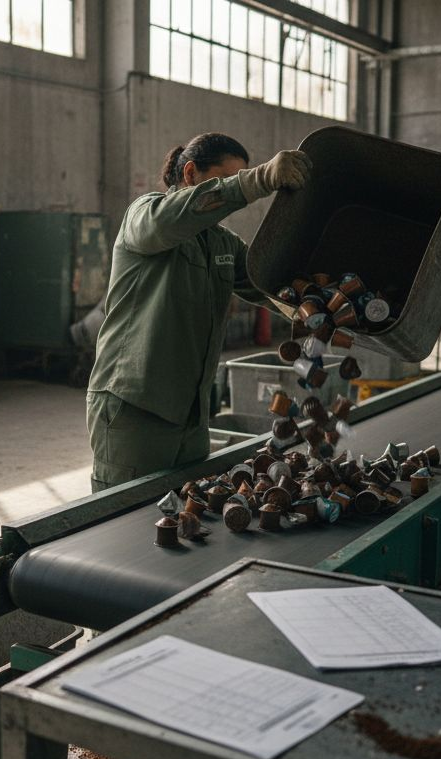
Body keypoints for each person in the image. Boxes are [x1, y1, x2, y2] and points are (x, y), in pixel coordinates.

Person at [86, 133, 311, 492]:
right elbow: (165, 224)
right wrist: (257, 180)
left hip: (192, 415)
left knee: (185, 515)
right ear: (190, 173)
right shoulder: (145, 216)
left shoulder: (222, 244)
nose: (233, 196)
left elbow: (269, 284)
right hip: (134, 408)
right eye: (226, 181)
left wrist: (312, 309)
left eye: (240, 179)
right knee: (123, 522)